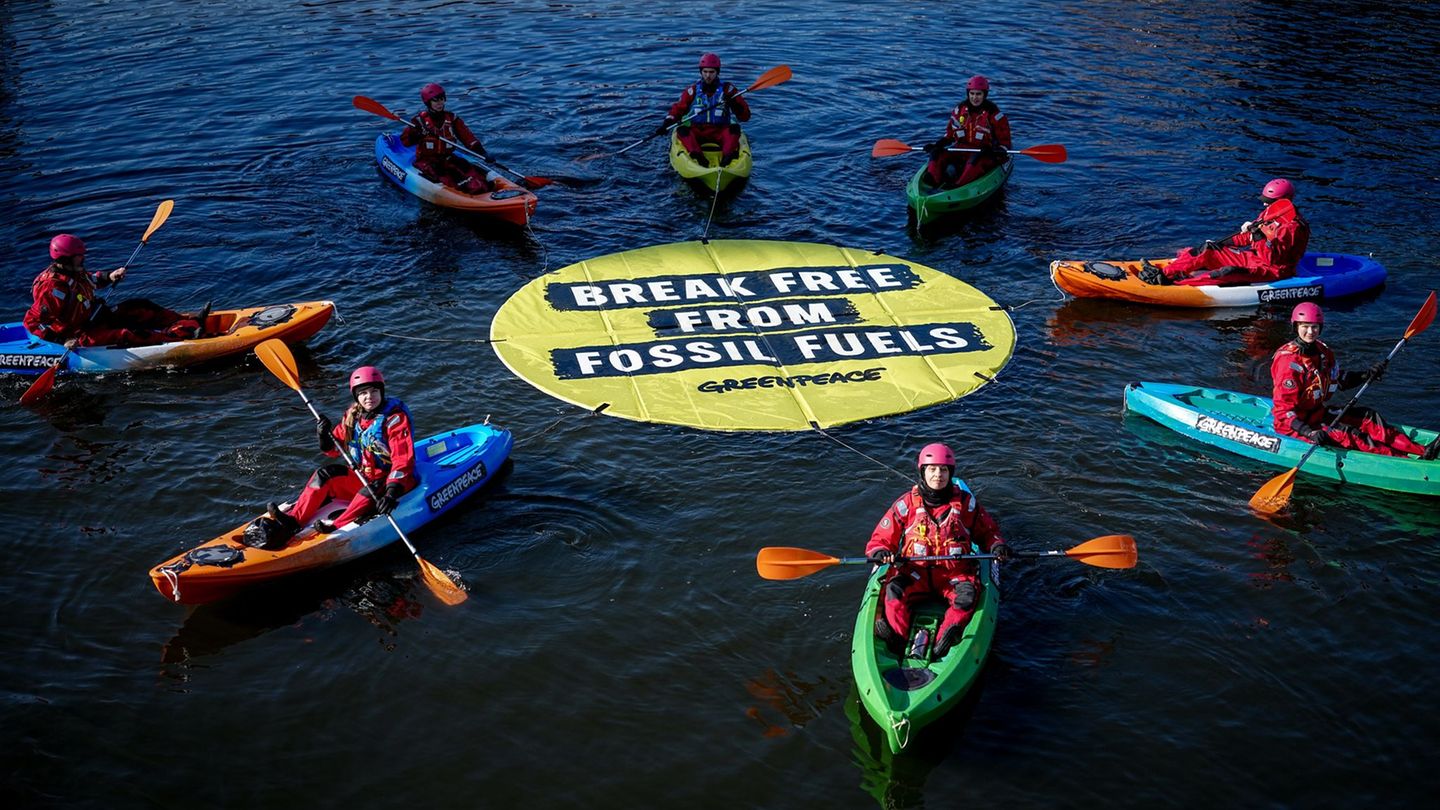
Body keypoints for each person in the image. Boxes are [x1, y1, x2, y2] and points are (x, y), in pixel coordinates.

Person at [243, 366, 418, 549]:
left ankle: (337, 525)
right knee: (324, 474)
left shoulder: (394, 418)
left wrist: (391, 494)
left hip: (396, 483)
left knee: (371, 488)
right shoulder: (353, 416)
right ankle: (294, 520)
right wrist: (323, 435)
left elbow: (403, 460)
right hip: (364, 477)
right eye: (363, 392)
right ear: (356, 396)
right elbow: (334, 451)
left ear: (381, 391)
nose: (369, 397)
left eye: (374, 391)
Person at [864, 443, 1012, 659]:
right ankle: (896, 636)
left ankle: (946, 637)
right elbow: (881, 537)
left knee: (967, 598)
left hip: (954, 574)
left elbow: (988, 531)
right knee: (894, 593)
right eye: (932, 469)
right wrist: (880, 551)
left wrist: (996, 545)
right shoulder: (906, 504)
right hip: (915, 573)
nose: (938, 475)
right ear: (923, 471)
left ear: (950, 473)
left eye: (943, 470)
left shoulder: (966, 503)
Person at [1270, 302, 1439, 459]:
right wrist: (1309, 433)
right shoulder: (1288, 362)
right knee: (1349, 434)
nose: (1310, 331)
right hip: (1296, 426)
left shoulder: (1323, 352)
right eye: (1304, 326)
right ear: (1296, 327)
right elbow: (1283, 411)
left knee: (1368, 416)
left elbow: (1339, 380)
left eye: (1314, 327)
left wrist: (1366, 375)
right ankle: (1405, 461)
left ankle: (1422, 451)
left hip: (1318, 414)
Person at [23, 233, 203, 348]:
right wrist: (62, 341)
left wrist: (110, 277)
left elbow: (91, 280)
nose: (83, 259)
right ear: (65, 259)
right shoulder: (52, 289)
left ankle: (187, 322)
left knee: (139, 306)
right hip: (81, 334)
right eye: (79, 257)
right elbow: (31, 321)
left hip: (96, 317)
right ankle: (181, 339)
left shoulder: (73, 271)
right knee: (128, 334)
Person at [1142, 178, 1312, 286]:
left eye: (1269, 202)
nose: (1265, 204)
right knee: (1207, 248)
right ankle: (1164, 275)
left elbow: (1272, 258)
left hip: (1275, 270)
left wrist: (1257, 235)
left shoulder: (1293, 228)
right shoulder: (1270, 212)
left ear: (1282, 201)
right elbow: (1246, 237)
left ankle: (1178, 284)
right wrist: (1222, 244)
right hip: (1253, 258)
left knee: (1227, 272)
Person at [399, 82, 498, 194]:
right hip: (427, 161)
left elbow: (469, 139)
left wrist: (483, 153)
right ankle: (462, 195)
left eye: (441, 99)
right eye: (435, 100)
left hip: (449, 157)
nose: (439, 103)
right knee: (447, 179)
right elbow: (406, 142)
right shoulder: (419, 122)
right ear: (428, 102)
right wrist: (418, 134)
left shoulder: (452, 119)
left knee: (474, 174)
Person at [656, 52, 752, 166]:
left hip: (720, 131)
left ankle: (728, 156)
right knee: (682, 130)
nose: (708, 75)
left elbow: (745, 117)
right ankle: (698, 156)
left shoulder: (728, 90)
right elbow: (678, 109)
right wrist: (667, 122)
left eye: (712, 72)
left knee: (734, 129)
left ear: (717, 72)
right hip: (698, 131)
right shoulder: (692, 91)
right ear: (701, 72)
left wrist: (734, 103)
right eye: (705, 72)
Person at [923, 75, 1012, 189]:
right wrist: (938, 145)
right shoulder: (959, 111)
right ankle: (932, 179)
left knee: (976, 158)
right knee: (936, 152)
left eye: (978, 94)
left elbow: (1005, 142)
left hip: (984, 153)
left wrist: (998, 149)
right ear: (968, 93)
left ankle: (958, 185)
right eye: (972, 93)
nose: (975, 98)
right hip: (962, 150)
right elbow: (950, 134)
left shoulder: (994, 115)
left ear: (985, 94)